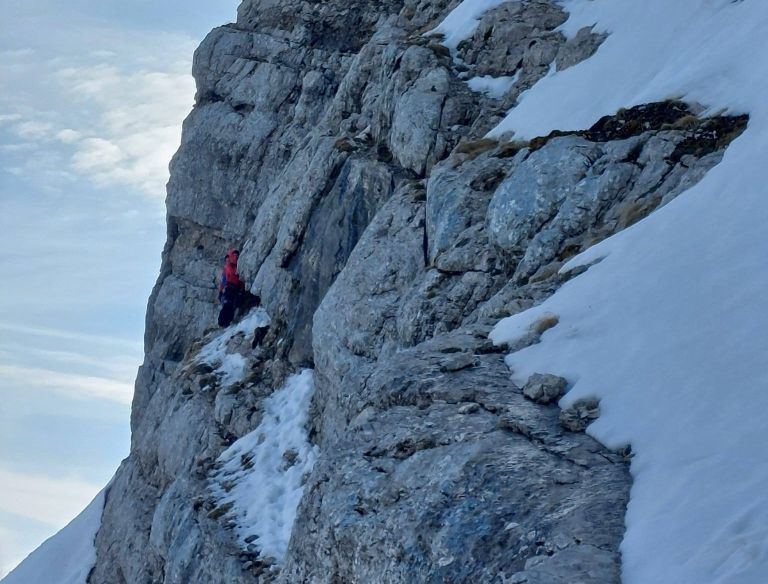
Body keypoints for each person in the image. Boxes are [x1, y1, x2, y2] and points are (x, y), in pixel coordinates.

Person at [218, 248, 245, 327]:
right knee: (228, 304)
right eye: (234, 255)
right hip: (230, 287)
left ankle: (227, 322)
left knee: (233, 304)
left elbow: (240, 279)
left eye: (236, 255)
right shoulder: (229, 267)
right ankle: (223, 322)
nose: (235, 256)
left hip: (235, 287)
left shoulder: (236, 265)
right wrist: (220, 291)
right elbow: (224, 280)